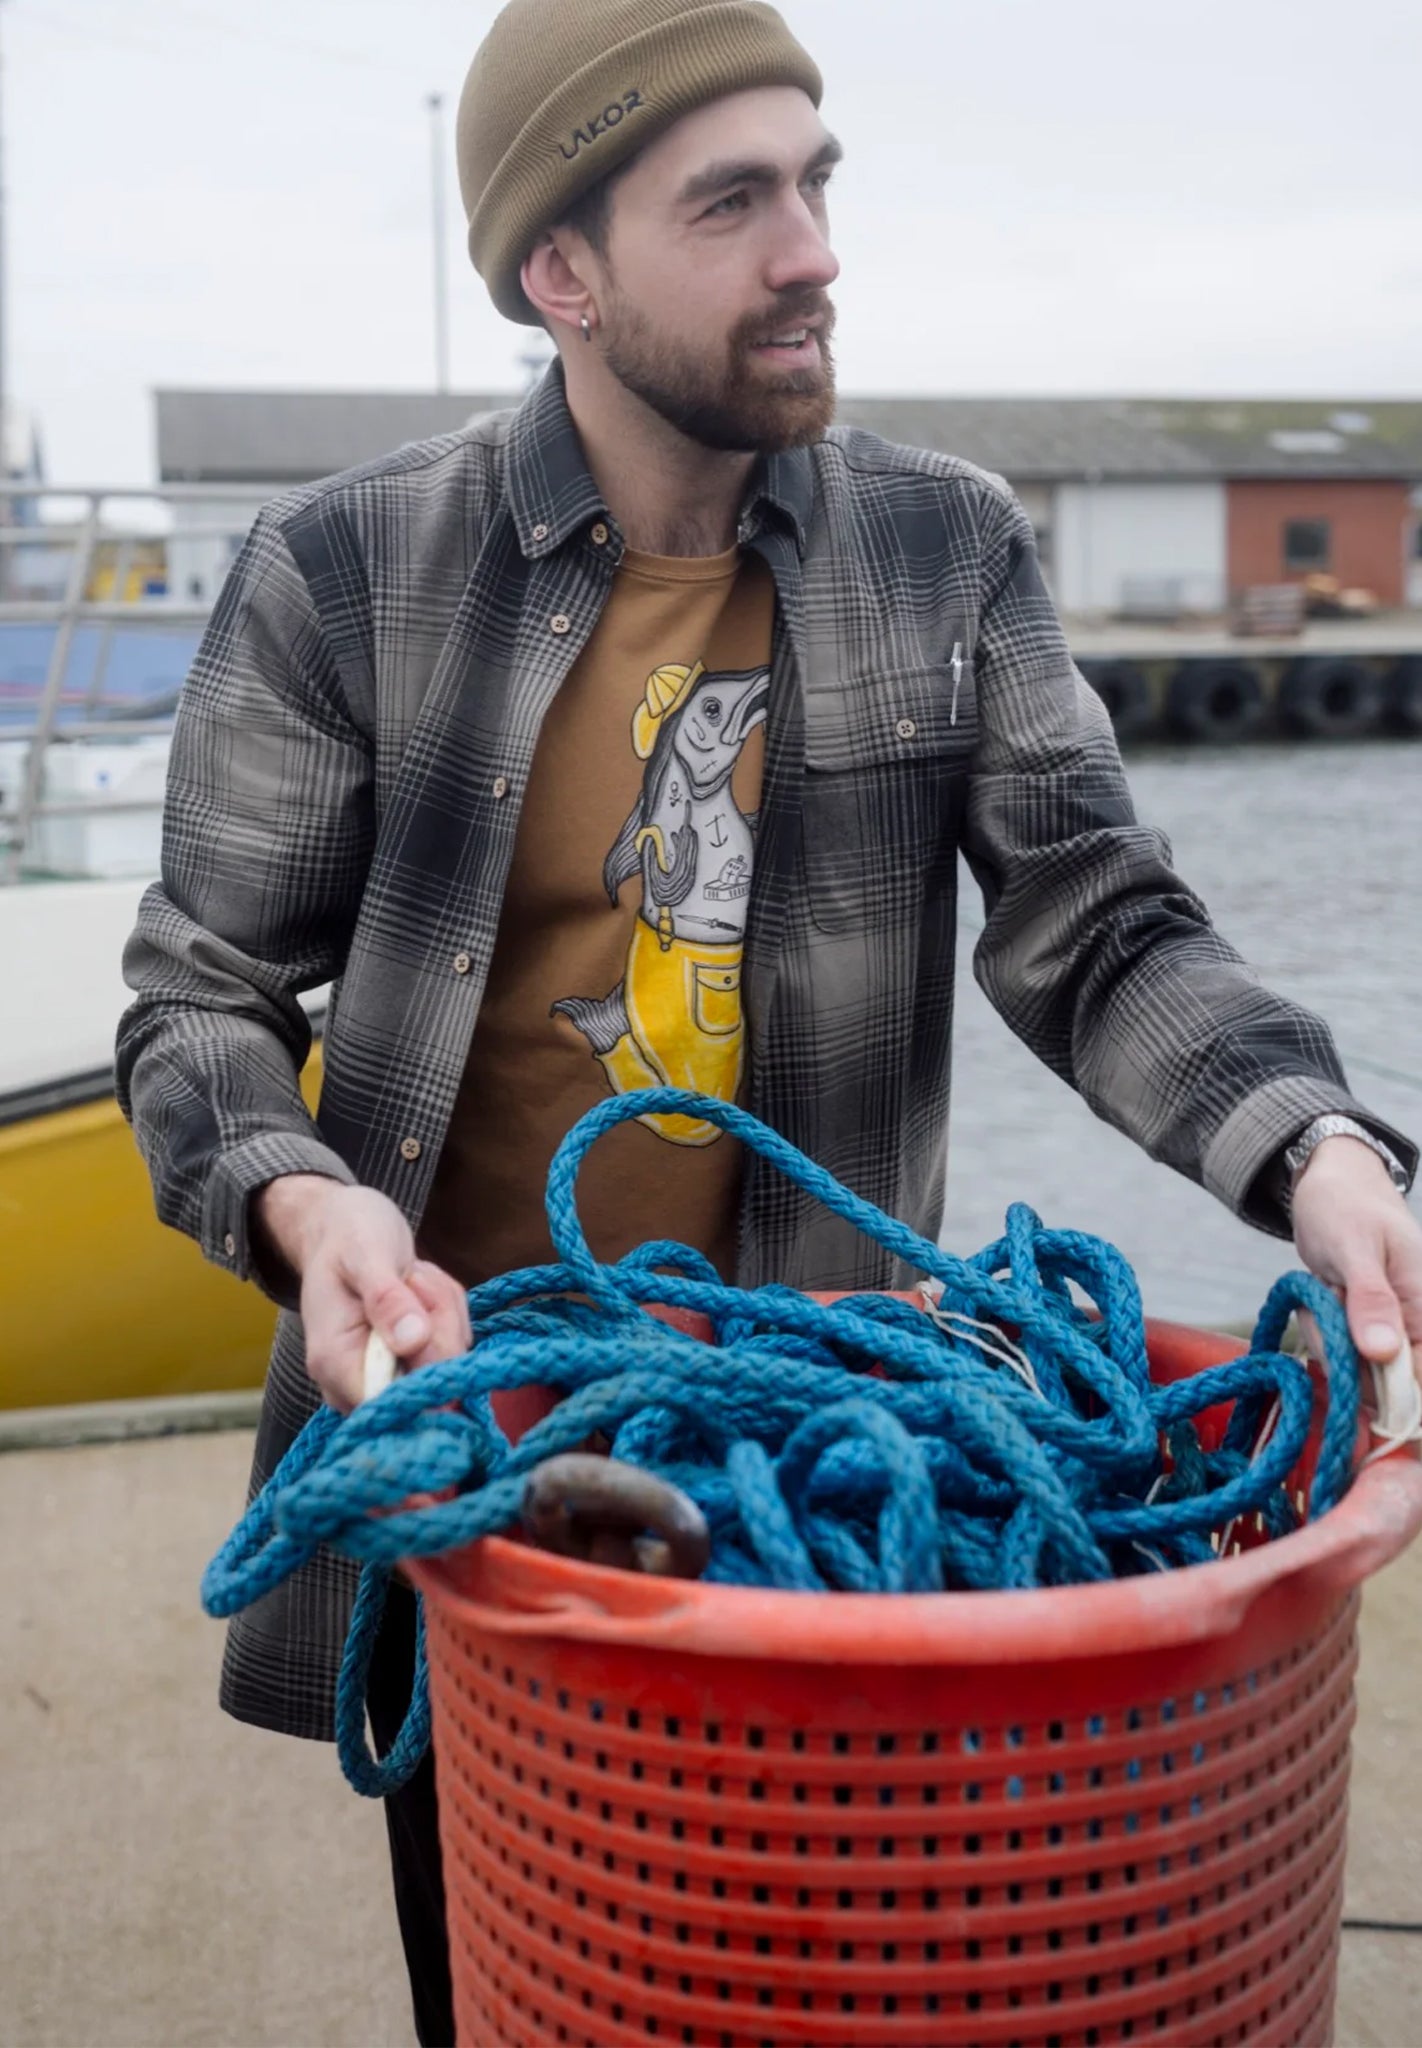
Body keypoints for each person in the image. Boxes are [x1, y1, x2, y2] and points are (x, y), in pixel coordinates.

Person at [117, 1, 1421, 2039]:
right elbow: (200, 998)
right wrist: (299, 1203)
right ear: (562, 272)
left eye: (815, 184)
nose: (812, 250)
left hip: (843, 1463)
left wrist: (1318, 1151)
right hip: (486, 1483)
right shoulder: (341, 569)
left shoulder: (947, 546)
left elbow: (1099, 927)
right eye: (730, 202)